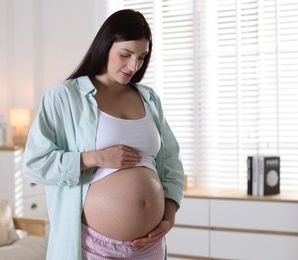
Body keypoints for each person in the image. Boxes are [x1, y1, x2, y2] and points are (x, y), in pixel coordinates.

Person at [22, 9, 184, 259]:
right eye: (125, 54)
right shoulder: (65, 97)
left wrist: (169, 215)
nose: (134, 66)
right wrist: (95, 158)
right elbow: (35, 164)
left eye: (142, 57)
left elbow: (171, 161)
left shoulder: (149, 98)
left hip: (149, 246)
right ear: (105, 45)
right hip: (95, 247)